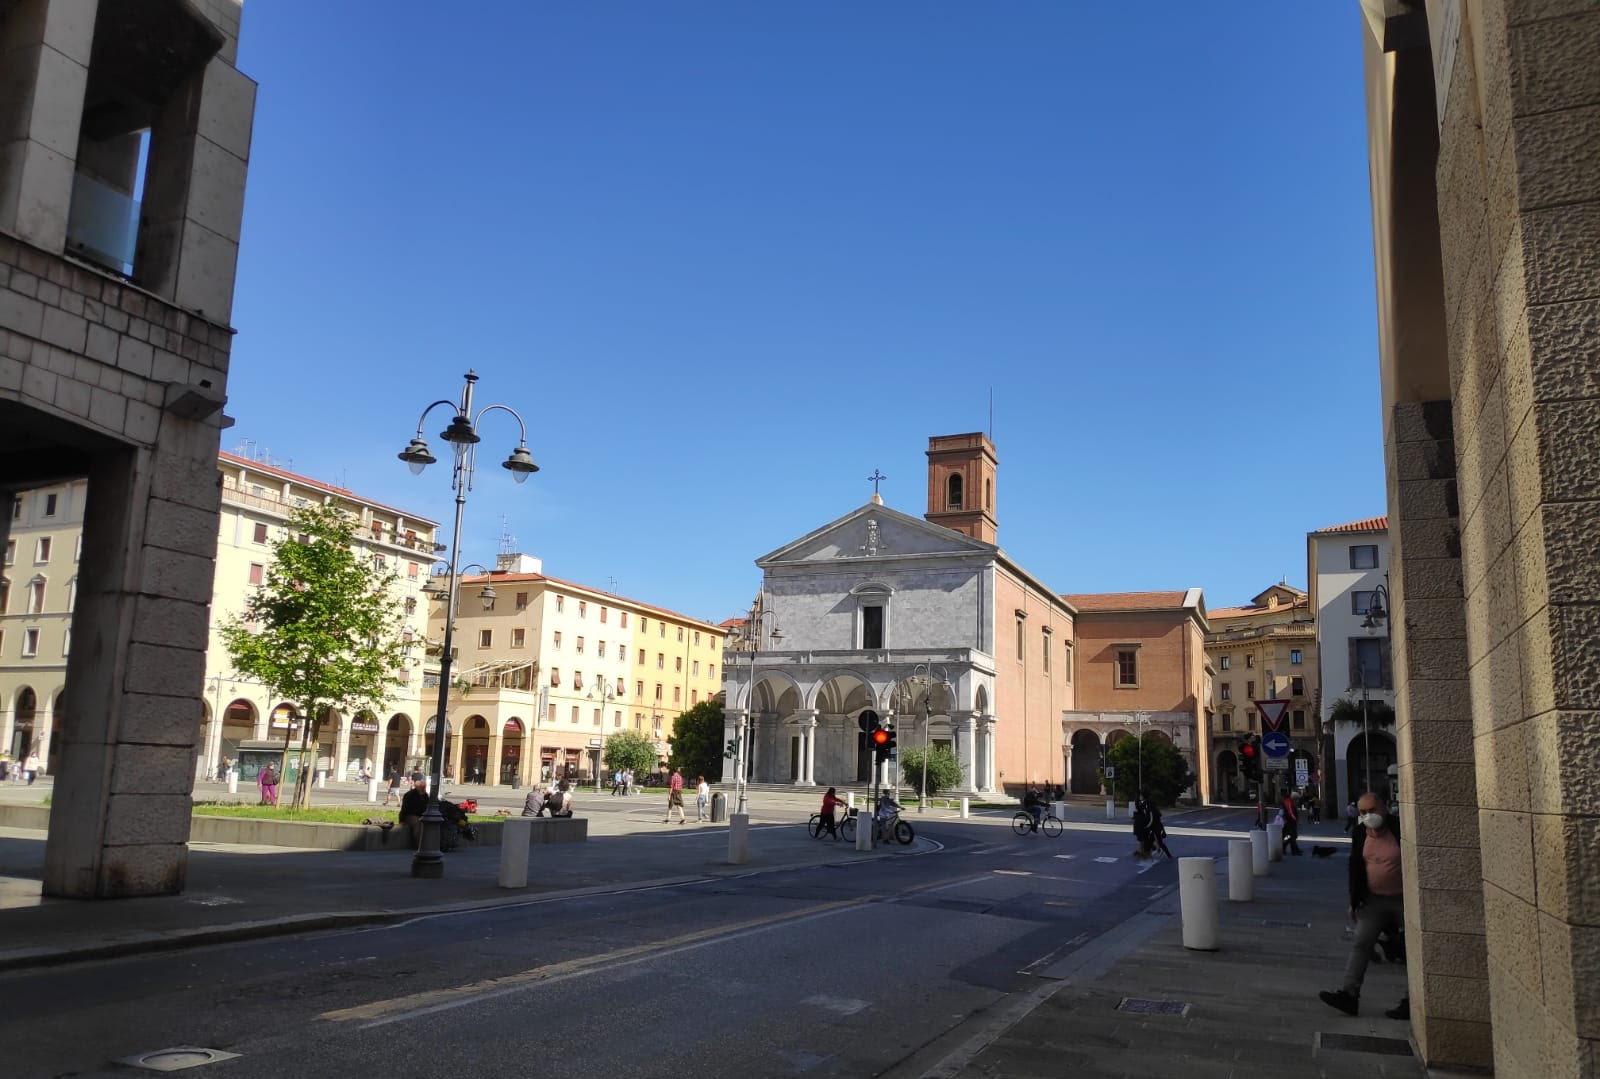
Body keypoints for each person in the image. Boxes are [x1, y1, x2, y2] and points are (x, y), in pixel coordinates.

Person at [1320, 793, 1407, 1017]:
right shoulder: (1360, 832)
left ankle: (1412, 1000)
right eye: (1363, 812)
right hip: (1373, 899)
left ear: (1385, 808)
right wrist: (1354, 902)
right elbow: (1355, 868)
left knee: (1411, 950)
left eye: (1372, 810)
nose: (1368, 816)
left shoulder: (1400, 828)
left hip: (1404, 899)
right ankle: (1349, 995)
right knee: (1361, 944)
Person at [399, 778, 430, 843]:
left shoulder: (425, 795)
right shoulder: (410, 795)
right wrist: (401, 820)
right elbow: (405, 808)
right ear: (418, 787)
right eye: (423, 787)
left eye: (424, 787)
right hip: (411, 815)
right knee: (418, 823)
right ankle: (418, 843)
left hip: (422, 815)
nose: (424, 788)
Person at [1281, 791, 1304, 855]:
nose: (1297, 800)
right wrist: (1295, 819)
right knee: (1293, 836)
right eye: (1296, 799)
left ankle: (1293, 849)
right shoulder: (1288, 801)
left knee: (1292, 836)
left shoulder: (1290, 801)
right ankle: (1293, 850)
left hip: (1290, 821)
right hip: (1290, 821)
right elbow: (1290, 812)